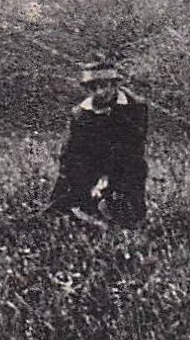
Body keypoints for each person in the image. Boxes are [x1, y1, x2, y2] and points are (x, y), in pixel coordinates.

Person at [46, 59, 149, 227]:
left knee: (127, 215)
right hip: (89, 168)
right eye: (94, 88)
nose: (100, 92)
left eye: (105, 85)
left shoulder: (136, 108)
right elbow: (71, 152)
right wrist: (74, 182)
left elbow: (132, 147)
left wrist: (107, 180)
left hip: (126, 169)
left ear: (114, 85)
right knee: (60, 212)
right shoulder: (80, 114)